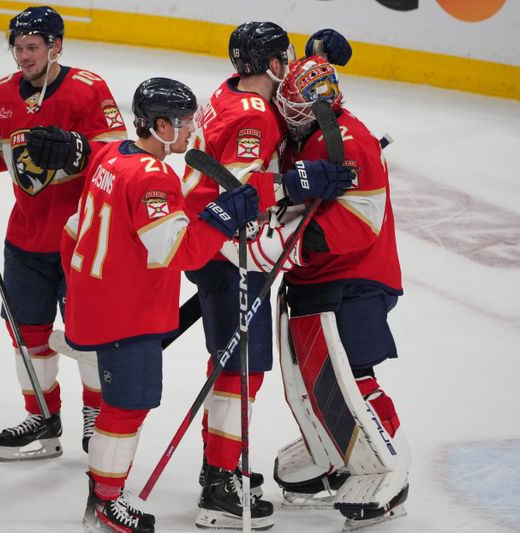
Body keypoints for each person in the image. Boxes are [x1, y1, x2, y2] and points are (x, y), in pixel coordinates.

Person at [30, 77, 257, 533]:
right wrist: (223, 216)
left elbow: (74, 231)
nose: (194, 129)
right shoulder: (152, 176)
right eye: (186, 121)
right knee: (126, 408)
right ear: (160, 125)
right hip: (123, 316)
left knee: (120, 406)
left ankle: (102, 495)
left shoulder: (111, 155)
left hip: (98, 304)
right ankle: (107, 504)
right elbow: (181, 251)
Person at [0, 5, 127, 461]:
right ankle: (43, 416)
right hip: (26, 241)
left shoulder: (88, 89)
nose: (23, 55)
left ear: (56, 46)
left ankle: (94, 413)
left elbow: (118, 156)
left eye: (32, 47)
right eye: (17, 47)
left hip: (81, 239)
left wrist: (79, 150)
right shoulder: (1, 93)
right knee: (26, 333)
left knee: (86, 336)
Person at [181, 22, 354, 530]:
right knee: (241, 369)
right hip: (226, 251)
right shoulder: (255, 117)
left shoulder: (234, 89)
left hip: (213, 245)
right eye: (288, 59)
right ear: (273, 65)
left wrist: (320, 56)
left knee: (236, 364)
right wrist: (299, 180)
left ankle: (222, 463)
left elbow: (288, 97)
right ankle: (218, 485)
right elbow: (235, 189)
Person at [271, 55, 411, 529]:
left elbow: (360, 223)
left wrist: (289, 247)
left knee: (353, 377)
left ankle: (390, 466)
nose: (285, 112)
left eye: (293, 105)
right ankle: (336, 454)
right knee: (314, 379)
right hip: (319, 278)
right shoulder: (312, 136)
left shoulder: (349, 141)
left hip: (356, 279)